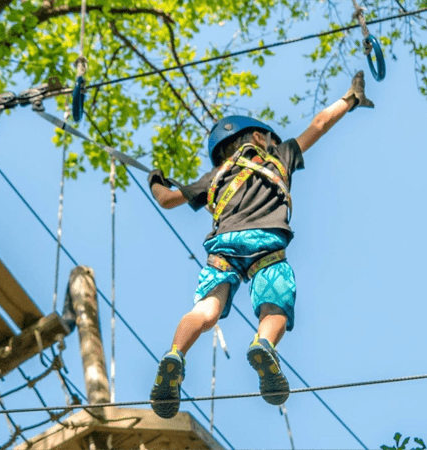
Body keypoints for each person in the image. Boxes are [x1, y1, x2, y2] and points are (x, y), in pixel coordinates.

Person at [147, 71, 374, 419]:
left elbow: (166, 200)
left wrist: (155, 180)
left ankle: (176, 353)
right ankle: (263, 344)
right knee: (275, 305)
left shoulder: (215, 177)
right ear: (257, 136)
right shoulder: (278, 156)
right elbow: (320, 122)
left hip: (223, 247)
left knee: (207, 309)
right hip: (267, 243)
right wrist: (350, 98)